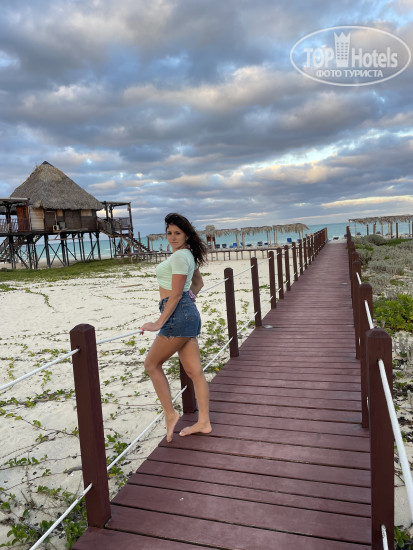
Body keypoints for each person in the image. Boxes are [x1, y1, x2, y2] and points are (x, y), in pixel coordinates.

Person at [141, 213, 212, 442]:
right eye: (169, 233)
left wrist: (158, 322)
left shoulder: (181, 256)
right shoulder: (187, 254)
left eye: (177, 233)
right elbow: (198, 283)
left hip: (177, 315)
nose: (172, 237)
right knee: (195, 372)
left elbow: (176, 294)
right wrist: (188, 303)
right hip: (187, 314)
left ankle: (170, 414)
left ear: (186, 235)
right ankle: (204, 422)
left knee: (151, 364)